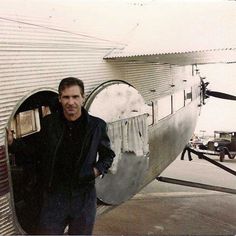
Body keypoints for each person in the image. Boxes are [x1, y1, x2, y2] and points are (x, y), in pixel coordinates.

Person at [7, 77, 115, 235]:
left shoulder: (97, 126)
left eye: (75, 97)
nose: (71, 102)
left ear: (83, 98)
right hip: (54, 197)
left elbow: (108, 156)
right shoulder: (49, 124)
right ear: (59, 99)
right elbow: (34, 150)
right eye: (66, 97)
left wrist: (95, 171)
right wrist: (13, 143)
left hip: (83, 197)